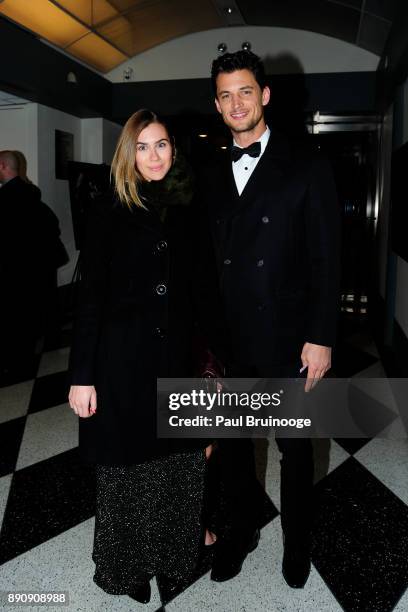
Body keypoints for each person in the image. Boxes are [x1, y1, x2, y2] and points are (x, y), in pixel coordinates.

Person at [198, 51, 341, 588]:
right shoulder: (207, 170)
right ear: (217, 104)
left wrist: (321, 336)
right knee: (234, 449)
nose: (236, 103)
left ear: (265, 95)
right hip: (227, 339)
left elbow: (328, 259)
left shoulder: (307, 164)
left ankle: (297, 545)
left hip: (286, 336)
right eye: (225, 95)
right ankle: (239, 534)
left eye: (245, 91)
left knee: (295, 450)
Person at [68, 110, 213, 604]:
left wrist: (216, 363)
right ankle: (125, 568)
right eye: (144, 146)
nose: (154, 156)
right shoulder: (110, 210)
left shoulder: (191, 205)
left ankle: (174, 558)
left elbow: (204, 291)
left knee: (179, 467)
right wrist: (82, 376)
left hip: (180, 359)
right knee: (126, 470)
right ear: (128, 154)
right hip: (122, 363)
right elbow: (90, 298)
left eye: (163, 144)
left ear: (175, 149)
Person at [0, 150, 66, 379]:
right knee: (37, 311)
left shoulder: (8, 197)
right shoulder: (30, 194)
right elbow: (53, 226)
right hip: (39, 264)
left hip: (17, 269)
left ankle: (16, 364)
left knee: (17, 318)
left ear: (2, 166)